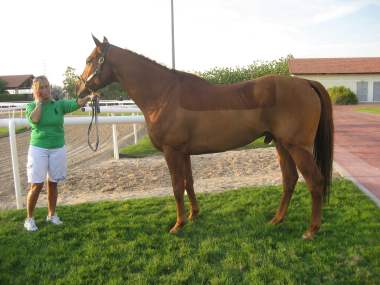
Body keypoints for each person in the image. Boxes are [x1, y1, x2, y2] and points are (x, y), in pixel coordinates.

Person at [24, 75, 93, 231]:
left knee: (53, 183)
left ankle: (52, 215)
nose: (45, 89)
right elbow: (34, 119)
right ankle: (29, 218)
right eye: (41, 87)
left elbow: (77, 103)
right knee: (36, 185)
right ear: (36, 90)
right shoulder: (30, 107)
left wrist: (89, 97)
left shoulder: (59, 104)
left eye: (47, 86)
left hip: (57, 148)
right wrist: (40, 102)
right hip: (38, 149)